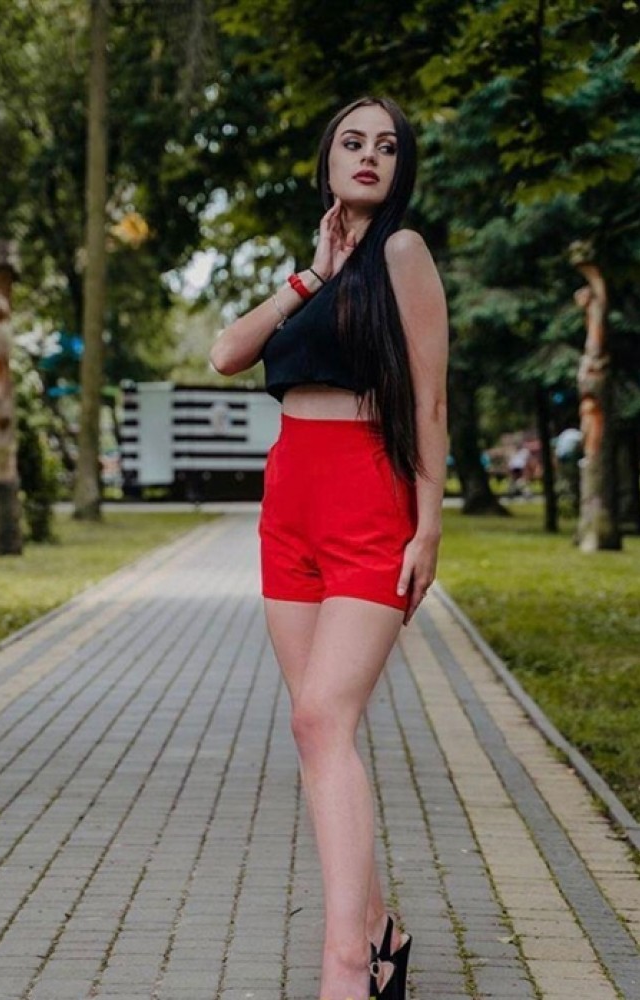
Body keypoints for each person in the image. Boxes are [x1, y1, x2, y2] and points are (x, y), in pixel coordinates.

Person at [210, 96, 449, 1000]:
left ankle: (347, 967)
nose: (369, 156)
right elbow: (227, 352)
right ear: (328, 161)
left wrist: (429, 524)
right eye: (352, 142)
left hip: (367, 501)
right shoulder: (319, 271)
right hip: (290, 504)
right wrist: (311, 274)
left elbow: (429, 400)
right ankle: (381, 932)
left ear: (400, 167)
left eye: (386, 146)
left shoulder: (403, 252)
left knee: (322, 720)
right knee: (318, 733)